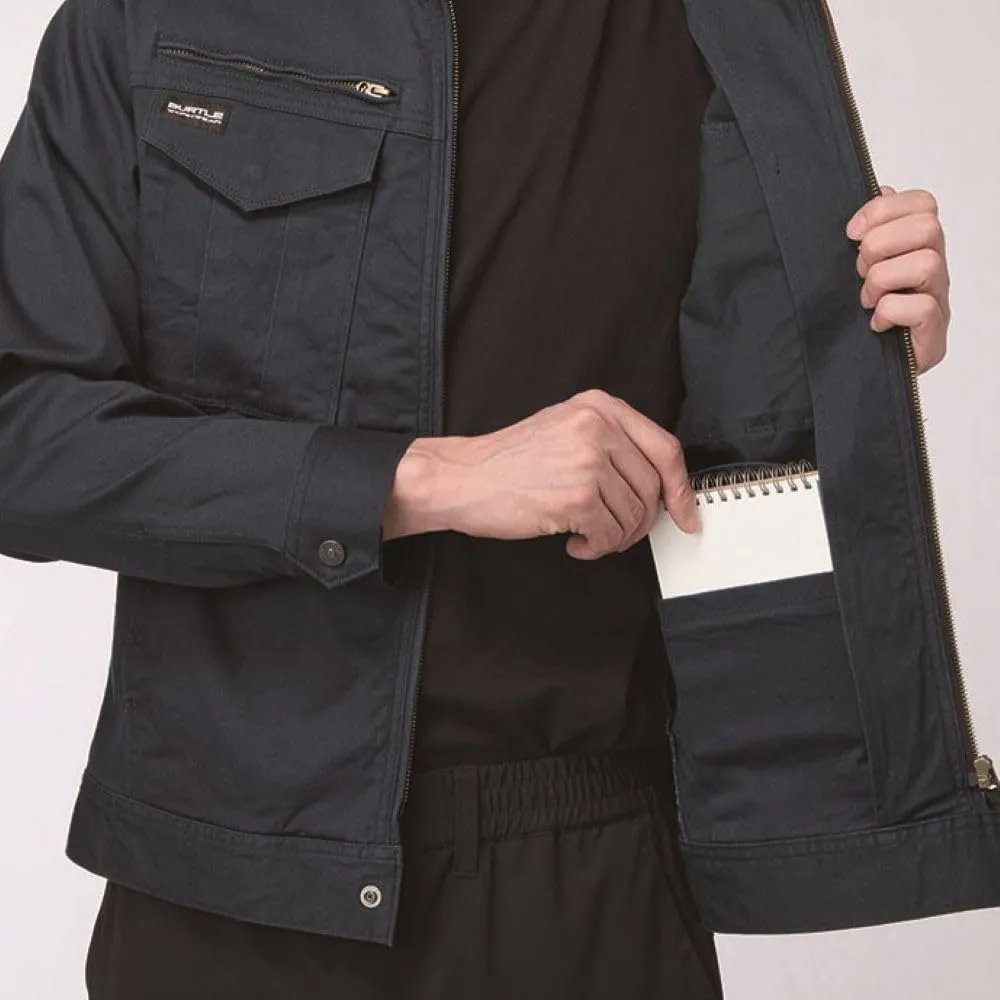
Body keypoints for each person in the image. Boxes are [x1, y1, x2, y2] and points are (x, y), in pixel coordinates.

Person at [0, 0, 953, 997]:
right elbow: (23, 432)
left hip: (594, 865)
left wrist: (859, 340)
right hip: (233, 890)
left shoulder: (710, 23)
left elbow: (742, 442)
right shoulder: (150, 18)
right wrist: (420, 480)